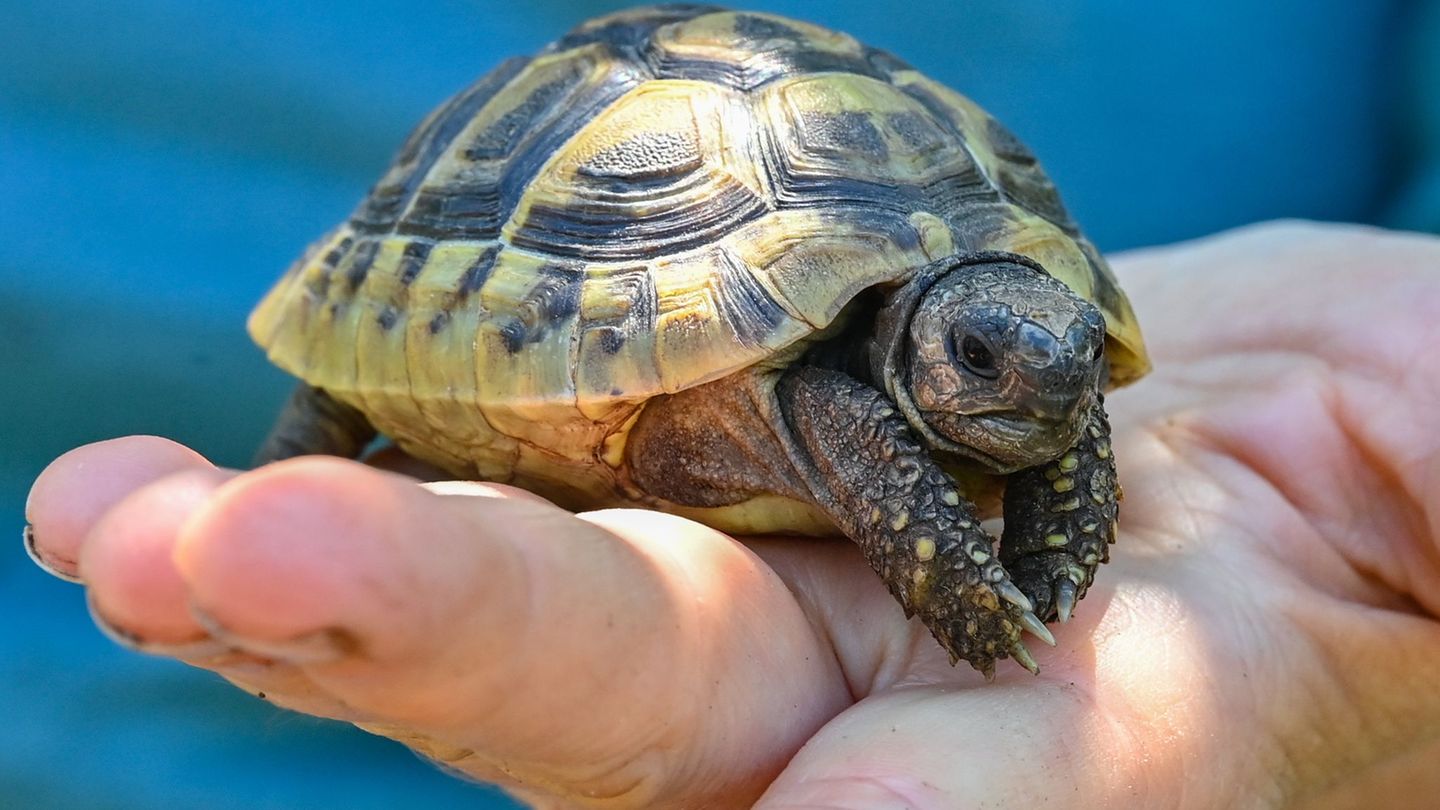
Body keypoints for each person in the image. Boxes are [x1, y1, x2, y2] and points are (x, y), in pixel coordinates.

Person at [23, 221, 1440, 808]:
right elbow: (846, 422)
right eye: (981, 363)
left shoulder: (1028, 365)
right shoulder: (842, 390)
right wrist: (961, 584)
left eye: (1066, 361)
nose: (1037, 395)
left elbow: (1059, 403)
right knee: (298, 487)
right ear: (911, 337)